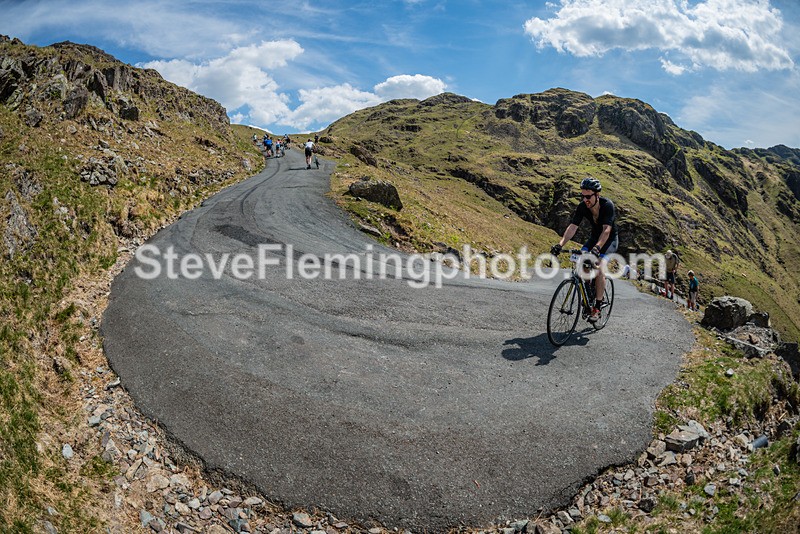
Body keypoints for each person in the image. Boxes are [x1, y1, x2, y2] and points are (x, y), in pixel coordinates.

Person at [551, 177, 618, 322]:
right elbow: (573, 227)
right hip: (594, 238)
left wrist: (597, 248)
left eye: (588, 196)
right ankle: (588, 295)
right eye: (583, 196)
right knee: (582, 263)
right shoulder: (582, 206)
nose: (585, 199)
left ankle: (597, 307)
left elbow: (606, 231)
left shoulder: (607, 205)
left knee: (599, 266)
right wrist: (560, 245)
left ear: (597, 195)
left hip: (608, 240)